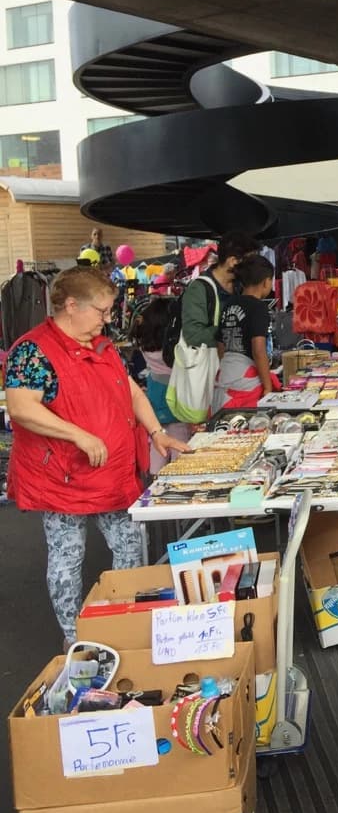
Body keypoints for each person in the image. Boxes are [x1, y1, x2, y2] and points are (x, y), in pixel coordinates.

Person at [5, 266, 189, 648]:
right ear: (71, 305)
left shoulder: (102, 346)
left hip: (114, 471)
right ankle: (76, 639)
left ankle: (124, 621)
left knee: (129, 546)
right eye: (102, 311)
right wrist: (78, 435)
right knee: (68, 559)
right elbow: (21, 408)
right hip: (62, 477)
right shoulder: (33, 350)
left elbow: (133, 392)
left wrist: (157, 433)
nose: (107, 320)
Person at [130, 297, 192, 472]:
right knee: (179, 439)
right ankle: (180, 473)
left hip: (155, 394)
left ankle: (155, 476)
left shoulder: (145, 344)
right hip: (176, 396)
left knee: (158, 438)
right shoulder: (173, 348)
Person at [214, 255, 278, 411]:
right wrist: (268, 387)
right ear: (266, 282)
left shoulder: (229, 304)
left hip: (225, 375)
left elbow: (220, 344)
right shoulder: (259, 308)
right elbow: (258, 351)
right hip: (245, 383)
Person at [182, 230, 261, 354]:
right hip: (210, 367)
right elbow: (194, 337)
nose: (254, 267)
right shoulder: (199, 289)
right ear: (233, 261)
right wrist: (232, 329)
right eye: (250, 262)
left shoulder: (241, 285)